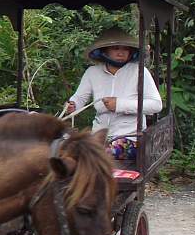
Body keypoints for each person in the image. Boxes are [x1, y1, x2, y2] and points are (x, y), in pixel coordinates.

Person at [62, 27, 162, 160]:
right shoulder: (92, 72)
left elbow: (156, 105)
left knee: (99, 155)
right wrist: (72, 105)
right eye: (115, 49)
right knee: (68, 150)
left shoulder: (139, 71)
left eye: (125, 49)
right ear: (104, 52)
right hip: (99, 136)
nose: (121, 53)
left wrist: (119, 105)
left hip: (130, 138)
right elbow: (80, 97)